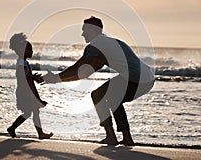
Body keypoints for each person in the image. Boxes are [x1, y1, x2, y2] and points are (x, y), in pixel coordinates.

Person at [43, 16, 154, 146]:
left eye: (85, 30)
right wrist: (56, 79)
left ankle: (111, 136)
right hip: (148, 79)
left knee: (98, 95)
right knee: (113, 98)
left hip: (135, 77)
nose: (82, 33)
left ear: (93, 30)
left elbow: (78, 67)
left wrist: (56, 78)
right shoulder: (108, 43)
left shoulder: (96, 45)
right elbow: (83, 74)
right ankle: (126, 138)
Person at [7, 33, 53, 139]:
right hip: (25, 92)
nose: (31, 52)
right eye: (29, 49)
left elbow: (26, 76)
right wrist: (31, 78)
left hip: (28, 90)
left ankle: (12, 128)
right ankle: (40, 133)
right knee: (33, 112)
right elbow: (20, 75)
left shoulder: (24, 62)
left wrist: (33, 77)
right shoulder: (21, 63)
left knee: (29, 113)